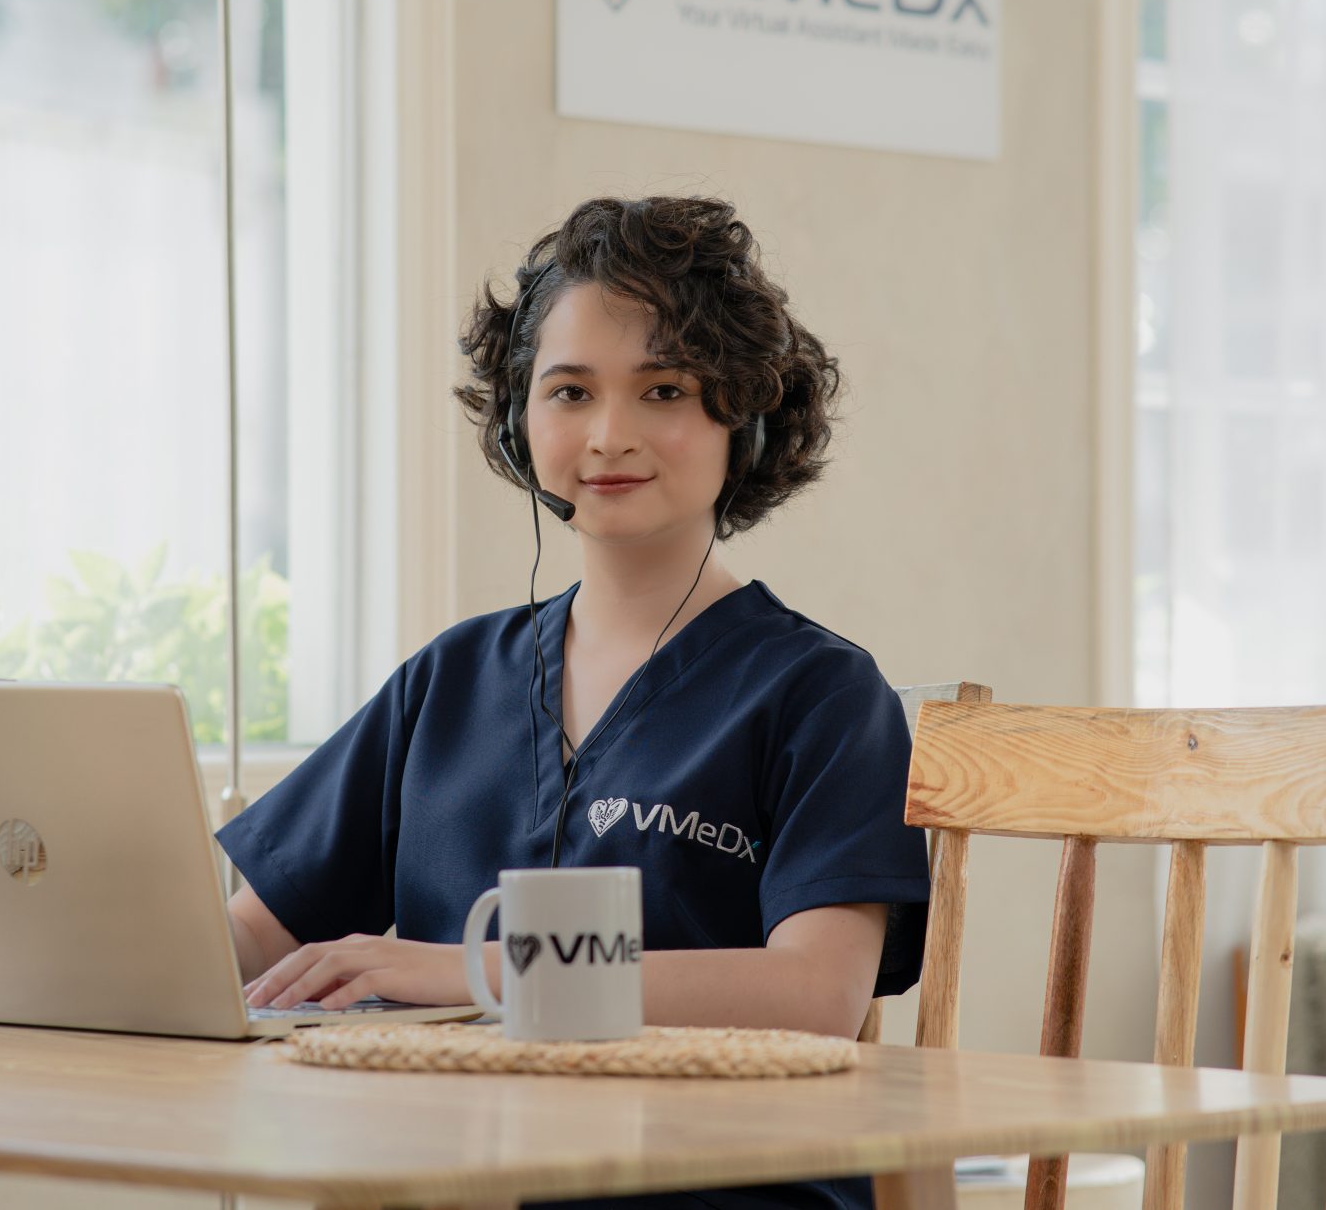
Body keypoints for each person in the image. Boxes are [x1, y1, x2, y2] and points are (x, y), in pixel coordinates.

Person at [217, 195, 928, 1210]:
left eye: (664, 388)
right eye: (569, 391)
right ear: (520, 421)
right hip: (460, 1182)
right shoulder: (449, 679)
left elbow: (814, 994)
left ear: (746, 416)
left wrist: (465, 970)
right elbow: (255, 937)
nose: (608, 434)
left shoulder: (820, 694)